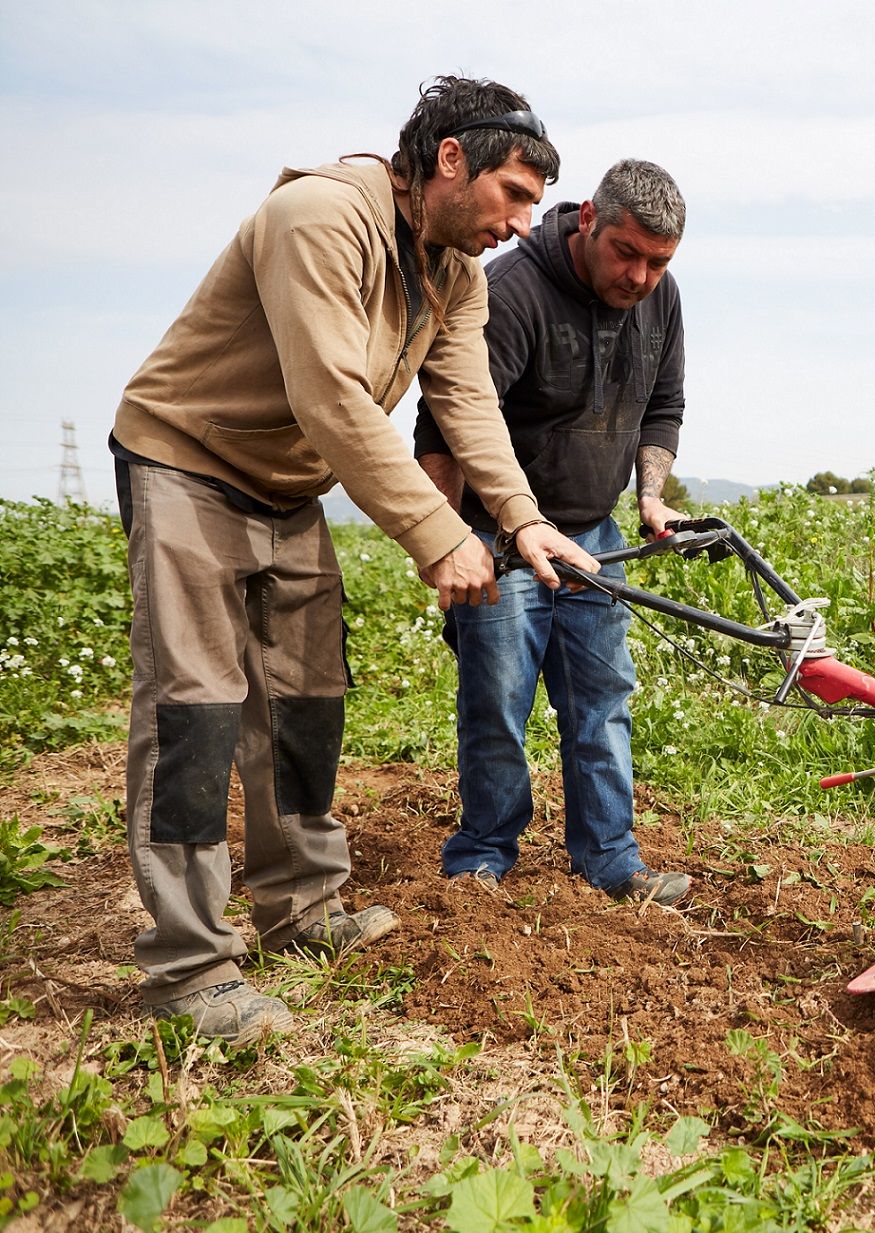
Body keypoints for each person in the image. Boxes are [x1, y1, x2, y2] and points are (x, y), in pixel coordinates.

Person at [110, 76, 602, 1045]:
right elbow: (330, 395)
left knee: (304, 702)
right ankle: (189, 968)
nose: (521, 221)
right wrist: (437, 534)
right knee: (199, 711)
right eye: (513, 192)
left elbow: (465, 407)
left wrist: (521, 518)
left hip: (285, 487)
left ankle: (298, 910)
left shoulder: (453, 275)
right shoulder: (318, 216)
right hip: (186, 462)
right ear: (449, 159)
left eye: (534, 204)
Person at [413, 159, 693, 906]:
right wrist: (445, 538)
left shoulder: (660, 299)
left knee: (602, 699)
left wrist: (651, 499)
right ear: (590, 220)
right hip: (501, 537)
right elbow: (443, 421)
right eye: (625, 254)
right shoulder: (512, 293)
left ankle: (609, 859)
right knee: (497, 700)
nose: (639, 276)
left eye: (658, 262)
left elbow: (663, 403)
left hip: (595, 535)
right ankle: (482, 857)